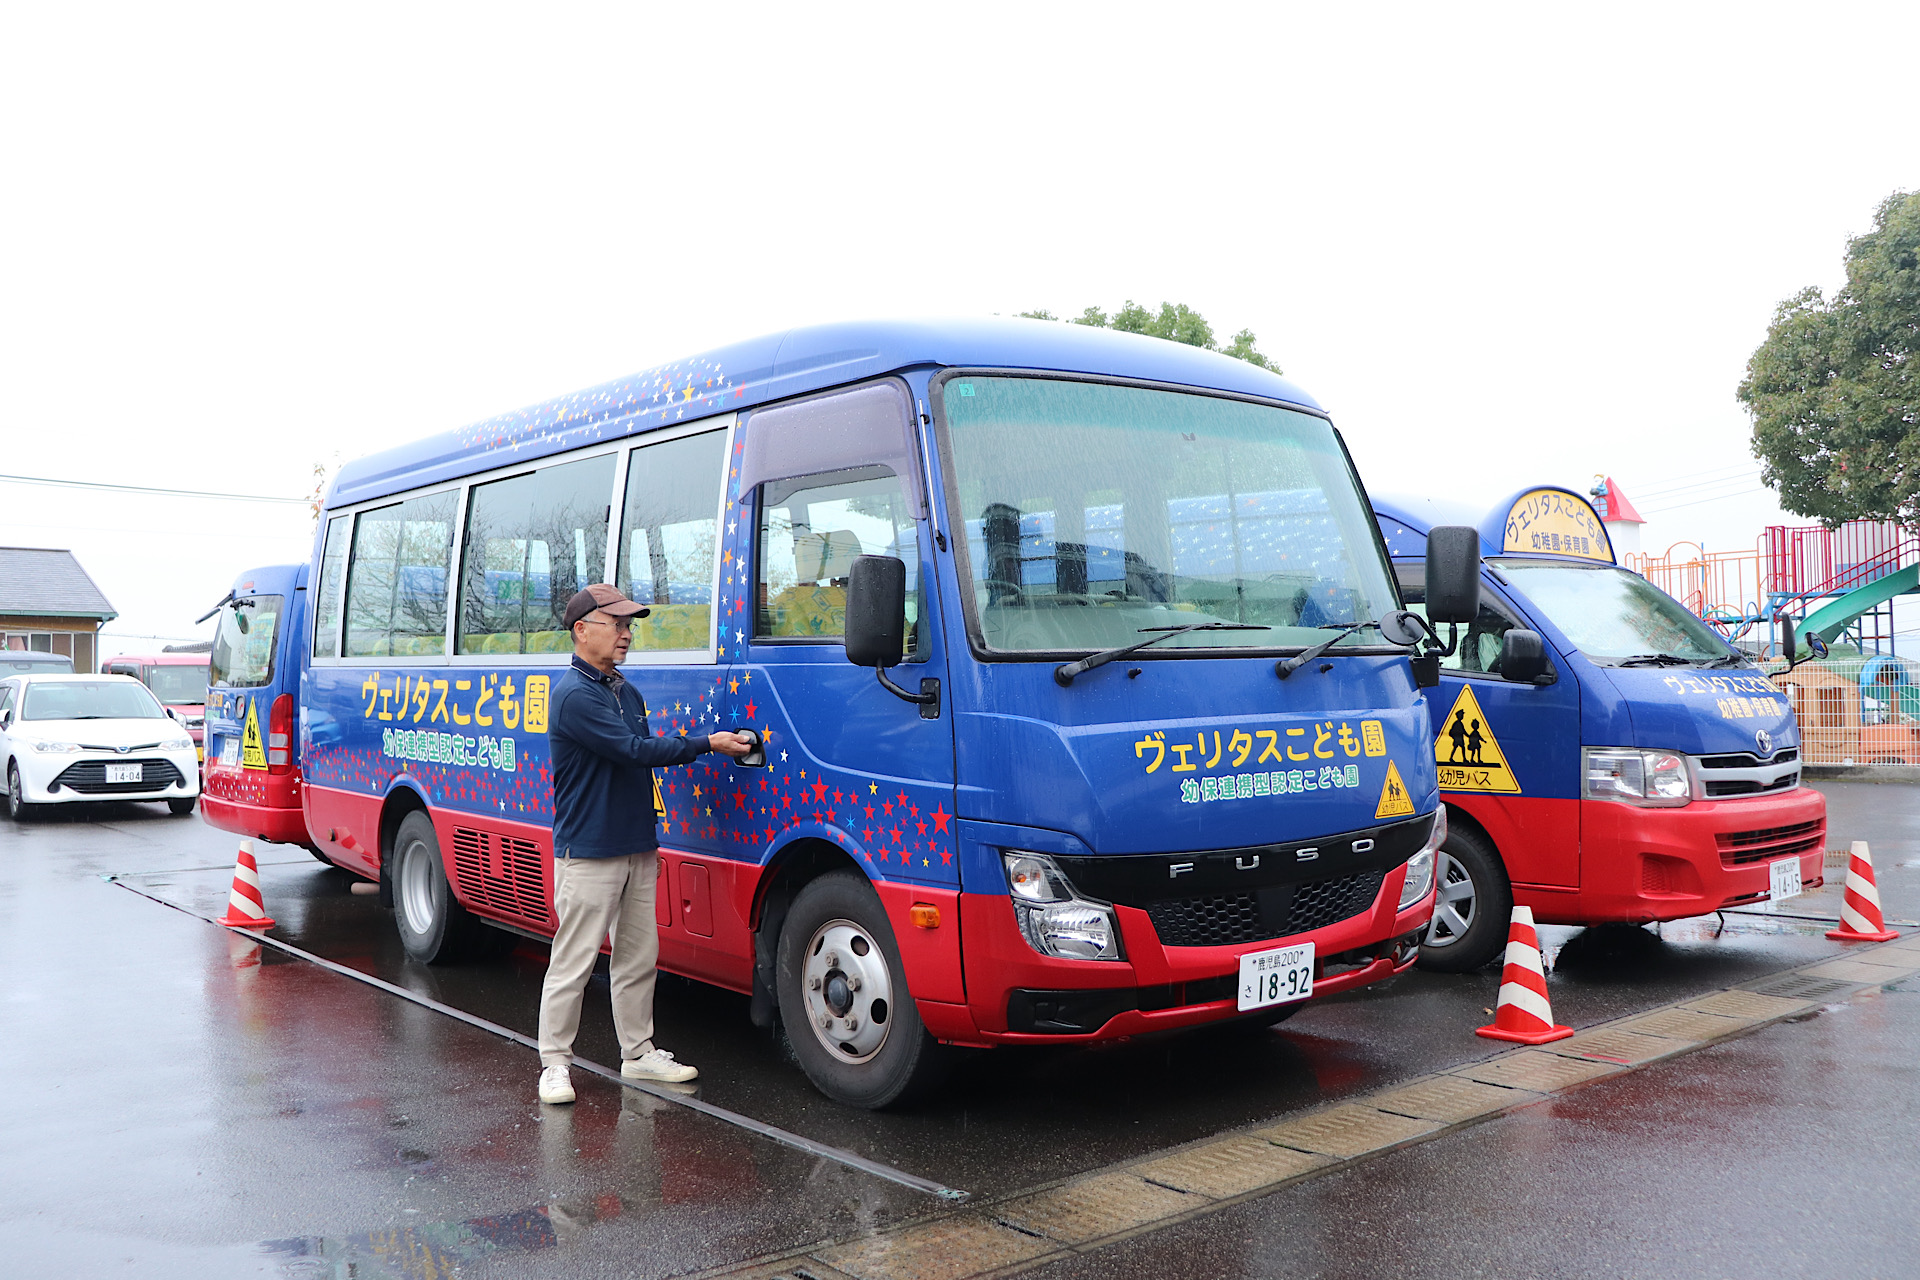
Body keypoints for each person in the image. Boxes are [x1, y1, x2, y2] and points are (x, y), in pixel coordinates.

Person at [536, 584, 754, 1105]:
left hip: (636, 845)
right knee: (574, 961)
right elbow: (632, 751)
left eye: (630, 624)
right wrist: (709, 743)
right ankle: (554, 1064)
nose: (627, 633)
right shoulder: (574, 695)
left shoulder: (624, 691)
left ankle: (638, 1054)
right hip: (589, 851)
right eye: (616, 624)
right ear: (581, 630)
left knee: (638, 957)